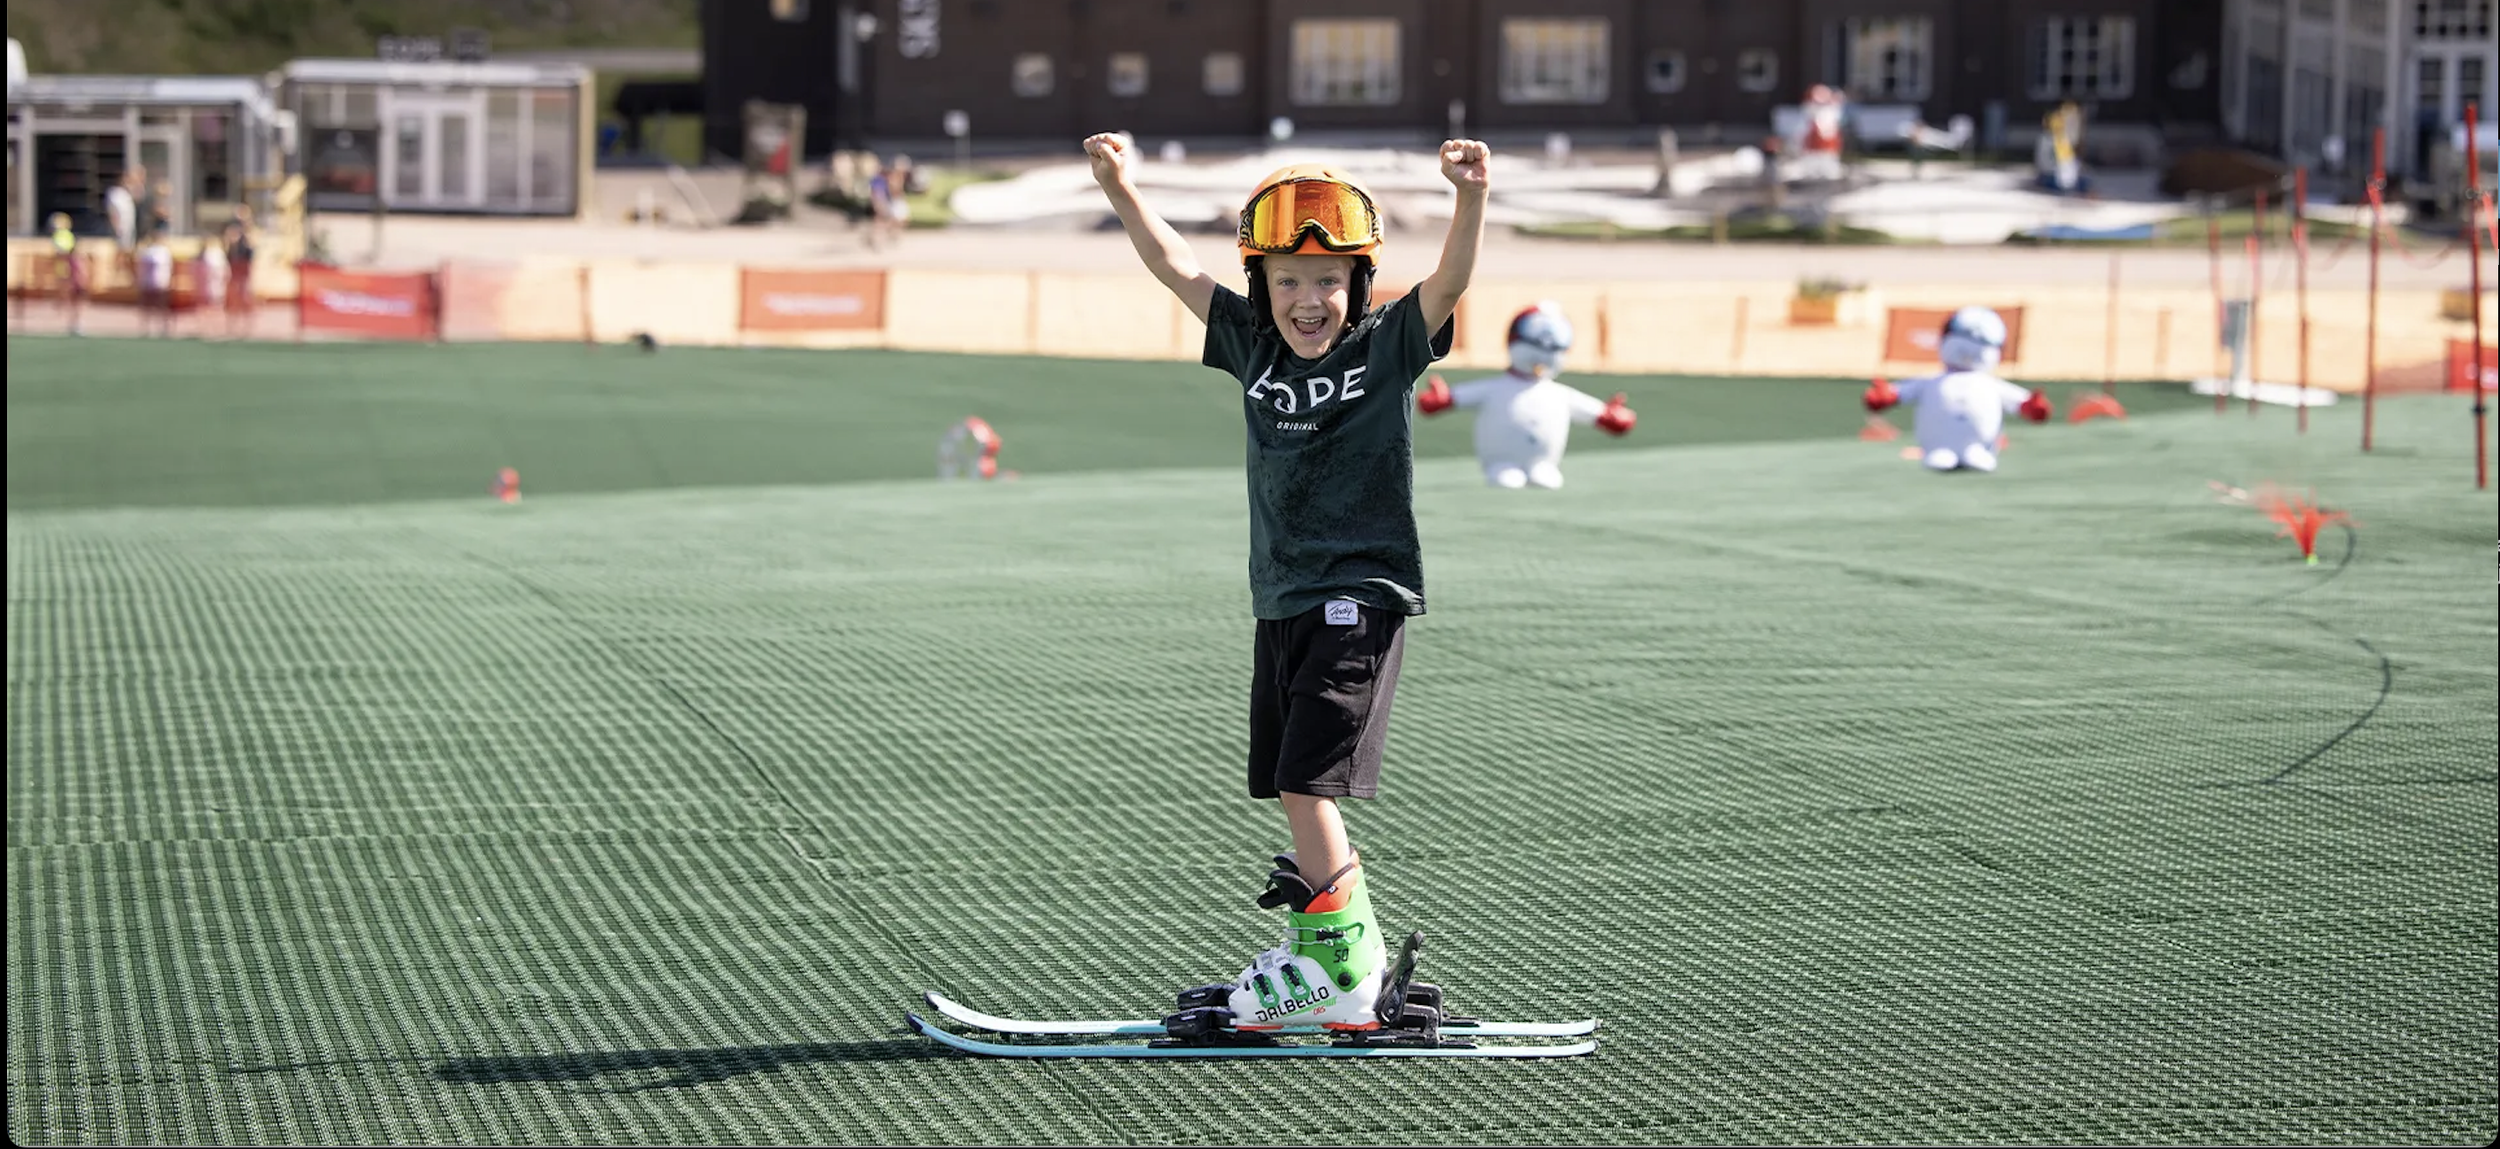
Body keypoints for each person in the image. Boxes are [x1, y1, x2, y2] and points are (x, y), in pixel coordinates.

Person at [1085, 129, 1489, 1031]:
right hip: (1283, 597)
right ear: (1265, 287)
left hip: (1361, 594)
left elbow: (1452, 284)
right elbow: (1174, 264)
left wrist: (1469, 199)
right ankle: (1334, 958)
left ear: (1359, 284)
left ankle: (1343, 968)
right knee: (1287, 776)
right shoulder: (1252, 345)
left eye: (1328, 280)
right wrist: (1122, 187)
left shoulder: (1385, 346)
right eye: (1288, 282)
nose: (1309, 299)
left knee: (1309, 778)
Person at [1418, 301, 1636, 488]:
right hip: (1499, 461)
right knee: (1505, 477)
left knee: (1544, 476)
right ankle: (1502, 466)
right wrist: (1442, 399)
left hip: (1544, 462)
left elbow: (1597, 414)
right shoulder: (1496, 389)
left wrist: (1608, 415)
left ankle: (1541, 467)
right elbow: (1454, 398)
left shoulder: (1559, 394)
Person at [1862, 307, 2051, 472]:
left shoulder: (1989, 384)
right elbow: (1903, 392)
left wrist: (2031, 406)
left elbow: (2018, 402)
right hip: (1937, 444)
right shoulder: (1932, 381)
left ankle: (1976, 452)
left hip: (1981, 445)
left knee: (1976, 455)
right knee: (1940, 457)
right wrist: (1886, 395)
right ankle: (1941, 452)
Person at [47, 211, 89, 335]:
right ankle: (70, 321)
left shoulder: (66, 237)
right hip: (66, 271)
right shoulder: (61, 237)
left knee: (74, 297)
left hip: (69, 272)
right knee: (69, 296)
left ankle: (74, 321)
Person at [134, 227, 174, 338]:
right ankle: (147, 327)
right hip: (153, 281)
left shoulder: (161, 252)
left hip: (158, 282)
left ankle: (161, 327)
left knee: (160, 306)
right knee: (150, 306)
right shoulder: (151, 251)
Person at [221, 216, 256, 337]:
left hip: (242, 278)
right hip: (234, 278)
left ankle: (246, 328)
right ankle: (232, 328)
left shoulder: (245, 246)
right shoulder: (230, 248)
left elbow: (250, 258)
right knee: (232, 303)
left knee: (244, 302)